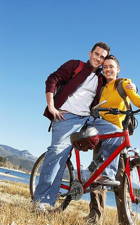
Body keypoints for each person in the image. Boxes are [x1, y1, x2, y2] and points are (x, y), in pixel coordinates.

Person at [33, 43, 129, 212]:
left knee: (115, 132)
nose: (98, 58)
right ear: (90, 53)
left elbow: (117, 84)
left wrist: (132, 88)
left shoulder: (100, 79)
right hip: (67, 116)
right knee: (58, 153)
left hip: (89, 119)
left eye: (101, 57)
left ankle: (96, 173)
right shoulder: (75, 65)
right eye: (96, 54)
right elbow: (52, 79)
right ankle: (42, 201)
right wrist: (51, 105)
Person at [84, 54, 140, 225]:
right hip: (101, 134)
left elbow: (134, 96)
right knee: (98, 173)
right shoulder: (101, 86)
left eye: (111, 66)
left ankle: (126, 223)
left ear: (118, 69)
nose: (108, 69)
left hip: (118, 135)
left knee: (121, 179)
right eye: (105, 67)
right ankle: (95, 218)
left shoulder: (123, 83)